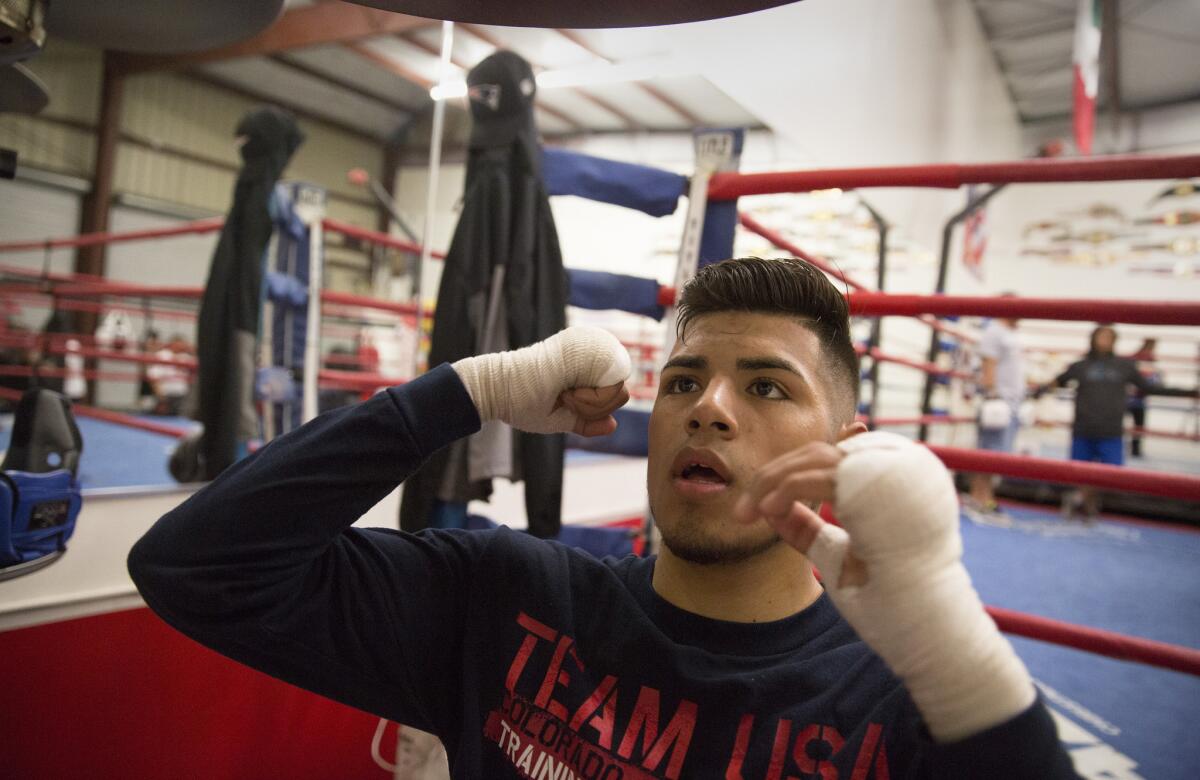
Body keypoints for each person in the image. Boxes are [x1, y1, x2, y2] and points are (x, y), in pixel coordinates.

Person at [129, 257, 1074, 778]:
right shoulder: (504, 599)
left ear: (848, 445)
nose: (709, 407)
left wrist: (956, 656)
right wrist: (462, 391)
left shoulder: (892, 710)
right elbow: (195, 569)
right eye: (686, 381)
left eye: (768, 387)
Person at [1039, 325, 1197, 521]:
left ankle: (1082, 499)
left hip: (1111, 429)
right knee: (1080, 473)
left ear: (1115, 341)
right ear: (1093, 339)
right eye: (1101, 336)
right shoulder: (1081, 366)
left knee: (1112, 474)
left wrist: (1189, 392)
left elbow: (1149, 388)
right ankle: (1086, 505)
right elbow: (1057, 382)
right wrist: (1034, 389)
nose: (1104, 341)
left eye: (1108, 337)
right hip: (1083, 427)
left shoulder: (1124, 366)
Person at [966, 307, 1024, 523]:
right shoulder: (995, 331)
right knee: (988, 452)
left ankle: (984, 499)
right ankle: (979, 500)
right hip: (999, 399)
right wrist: (992, 395)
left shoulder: (1010, 333)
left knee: (995, 454)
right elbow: (988, 362)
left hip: (1010, 401)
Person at [1125, 338, 1160, 458]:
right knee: (1127, 423)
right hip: (1129, 398)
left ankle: (1135, 449)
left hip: (1139, 399)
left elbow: (1154, 379)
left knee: (1138, 425)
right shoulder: (1135, 358)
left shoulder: (1150, 360)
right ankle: (1131, 448)